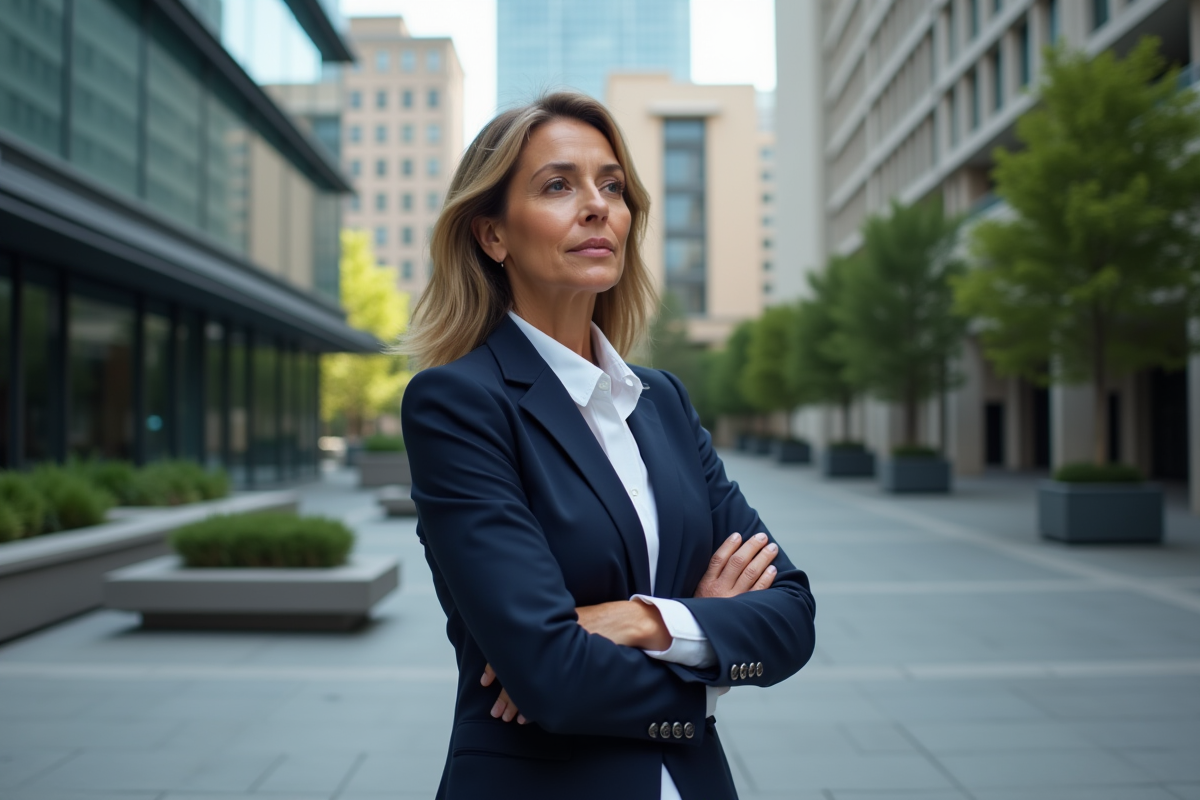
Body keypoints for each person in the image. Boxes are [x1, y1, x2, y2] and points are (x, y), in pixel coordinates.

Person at [399, 92, 816, 800]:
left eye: (612, 185)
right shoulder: (460, 404)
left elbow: (792, 614)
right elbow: (550, 676)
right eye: (558, 185)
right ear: (492, 235)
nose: (597, 206)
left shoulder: (662, 402)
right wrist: (704, 634)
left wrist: (642, 620)